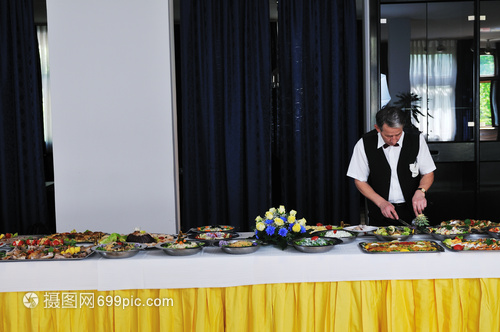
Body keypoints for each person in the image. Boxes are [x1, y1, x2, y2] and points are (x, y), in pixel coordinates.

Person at [347, 106, 436, 226]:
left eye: (398, 135)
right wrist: (381, 203)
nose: (394, 141)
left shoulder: (416, 139)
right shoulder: (364, 143)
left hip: (414, 212)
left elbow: (428, 172)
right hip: (380, 212)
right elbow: (359, 180)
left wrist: (421, 191)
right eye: (388, 136)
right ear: (377, 128)